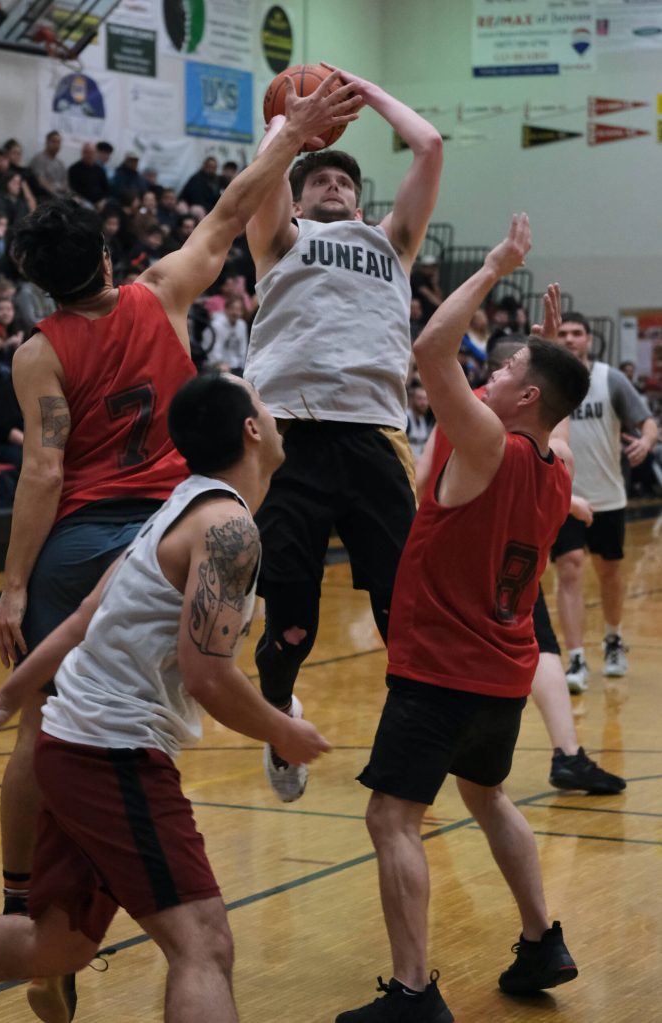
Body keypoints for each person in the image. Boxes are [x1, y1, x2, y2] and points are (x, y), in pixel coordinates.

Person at [0, 80, 361, 1023]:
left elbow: (41, 472)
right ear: (109, 254)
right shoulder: (163, 292)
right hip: (169, 533)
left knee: (45, 728)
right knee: (159, 706)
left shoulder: (38, 351)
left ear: (39, 282)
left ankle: (27, 908)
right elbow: (235, 208)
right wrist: (291, 133)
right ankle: (277, 706)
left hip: (77, 544)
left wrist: (12, 584)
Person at [0, 372, 329, 1023]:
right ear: (252, 430)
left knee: (57, 942)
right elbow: (206, 675)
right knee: (203, 943)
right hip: (110, 752)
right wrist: (280, 732)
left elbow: (87, 612)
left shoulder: (178, 505)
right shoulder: (228, 528)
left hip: (70, 740)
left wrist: (8, 695)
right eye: (262, 403)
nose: (275, 413)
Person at [336, 215, 590, 1023]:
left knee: (390, 816)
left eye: (507, 364)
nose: (491, 367)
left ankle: (412, 992)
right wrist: (546, 361)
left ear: (519, 397)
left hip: (440, 670)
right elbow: (546, 409)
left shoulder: (487, 443)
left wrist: (489, 268)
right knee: (486, 797)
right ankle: (540, 938)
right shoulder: (556, 462)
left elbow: (428, 352)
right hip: (502, 669)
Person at [243, 62, 443, 801]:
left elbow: (427, 147)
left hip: (372, 438)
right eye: (318, 179)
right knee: (290, 621)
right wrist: (285, 123)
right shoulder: (279, 239)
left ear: (360, 198)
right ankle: (279, 717)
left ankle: (405, 764)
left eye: (344, 181)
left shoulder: (392, 243)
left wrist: (362, 87)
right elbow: (264, 173)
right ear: (295, 194)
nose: (333, 186)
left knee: (406, 616)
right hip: (287, 438)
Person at [415, 329, 626, 796]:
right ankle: (566, 754)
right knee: (536, 645)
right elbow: (555, 450)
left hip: (444, 566)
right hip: (496, 561)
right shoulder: (506, 423)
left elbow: (425, 473)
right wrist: (567, 497)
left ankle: (435, 752)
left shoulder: (464, 403)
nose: (498, 374)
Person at [551, 313, 659, 691]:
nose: (568, 338)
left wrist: (645, 442)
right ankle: (576, 657)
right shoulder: (549, 381)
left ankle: (613, 639)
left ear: (588, 340)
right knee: (569, 568)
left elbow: (647, 421)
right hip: (563, 495)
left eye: (576, 333)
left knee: (609, 573)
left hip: (608, 496)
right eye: (562, 332)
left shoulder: (609, 379)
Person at [29, 132, 69, 198]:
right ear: (47, 142)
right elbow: (41, 182)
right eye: (53, 141)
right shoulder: (39, 159)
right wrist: (57, 193)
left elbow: (65, 183)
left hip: (61, 197)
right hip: (45, 198)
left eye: (58, 142)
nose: (56, 145)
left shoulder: (60, 163)